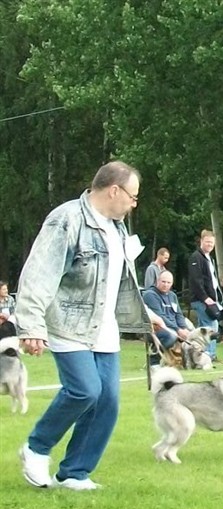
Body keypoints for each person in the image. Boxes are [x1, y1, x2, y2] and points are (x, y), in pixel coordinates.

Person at [15, 160, 152, 491]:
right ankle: (36, 447)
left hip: (103, 328)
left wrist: (149, 314)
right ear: (114, 190)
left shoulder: (117, 228)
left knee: (107, 401)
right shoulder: (66, 219)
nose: (135, 203)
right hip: (67, 322)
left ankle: (74, 473)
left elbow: (121, 280)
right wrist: (31, 325)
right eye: (133, 196)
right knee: (85, 389)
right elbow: (39, 273)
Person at [142, 270, 191, 365]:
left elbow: (178, 314)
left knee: (194, 334)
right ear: (157, 281)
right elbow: (160, 317)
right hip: (156, 328)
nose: (165, 285)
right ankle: (153, 361)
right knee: (171, 336)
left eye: (168, 282)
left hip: (174, 328)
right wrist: (177, 330)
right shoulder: (150, 295)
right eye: (163, 282)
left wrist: (183, 328)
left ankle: (189, 362)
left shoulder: (172, 296)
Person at [188, 230, 223, 361]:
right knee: (210, 327)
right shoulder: (196, 257)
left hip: (212, 299)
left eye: (212, 242)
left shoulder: (210, 259)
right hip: (201, 300)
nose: (210, 244)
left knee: (205, 328)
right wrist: (205, 298)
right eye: (207, 242)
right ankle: (209, 355)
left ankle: (200, 355)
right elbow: (196, 280)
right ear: (201, 241)